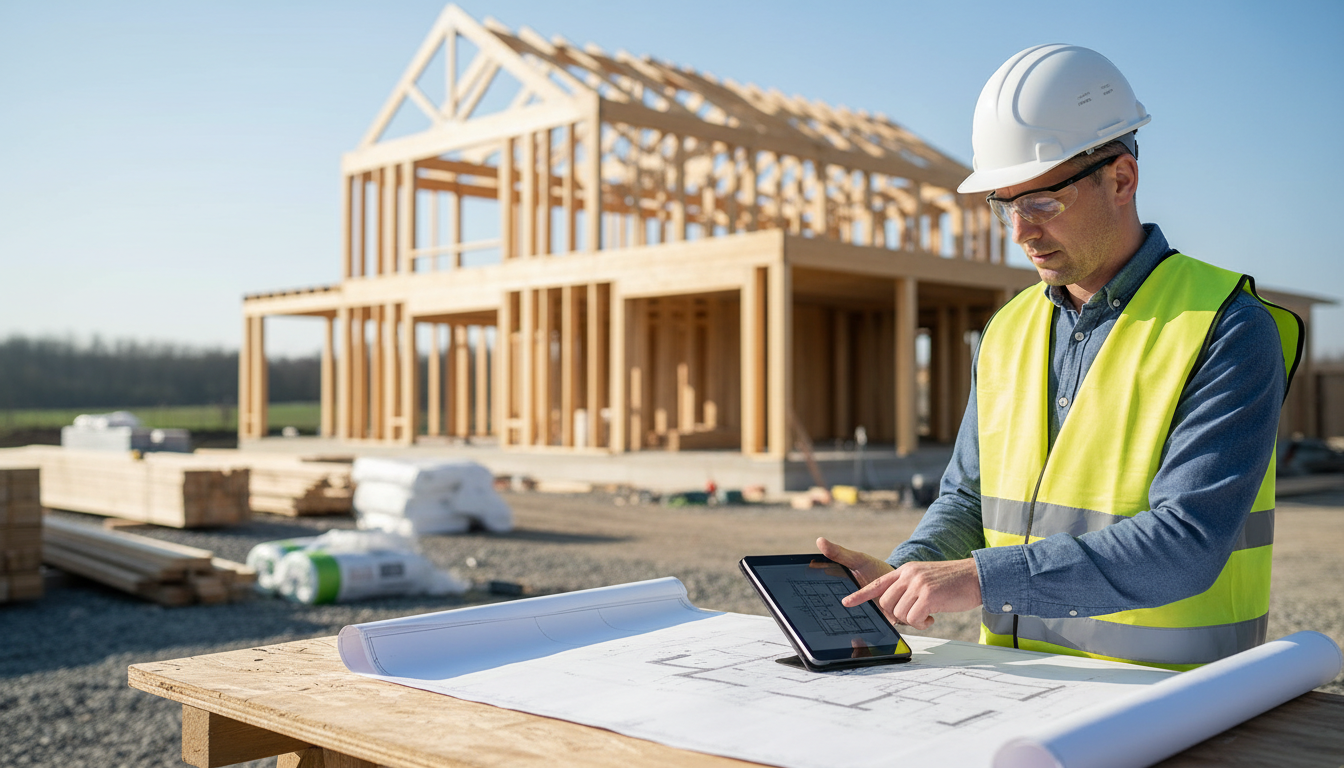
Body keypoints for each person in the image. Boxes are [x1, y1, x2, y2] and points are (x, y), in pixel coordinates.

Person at [819, 44, 1303, 670]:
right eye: (1005, 207)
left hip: (1176, 704)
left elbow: (1186, 542)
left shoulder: (1225, 326)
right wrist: (907, 573)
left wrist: (981, 578)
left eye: (1041, 203)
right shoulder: (1007, 331)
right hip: (1023, 690)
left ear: (1122, 180)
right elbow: (969, 500)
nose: (1021, 232)